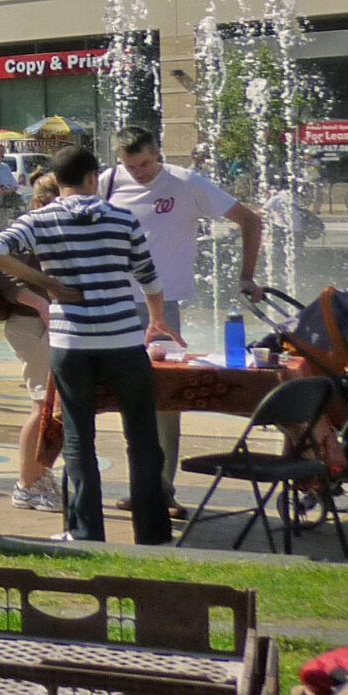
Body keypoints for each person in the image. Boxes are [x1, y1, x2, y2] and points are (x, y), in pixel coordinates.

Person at [0, 145, 177, 546]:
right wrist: (156, 320)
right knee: (142, 438)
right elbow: (149, 277)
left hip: (72, 343)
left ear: (57, 182)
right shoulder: (122, 218)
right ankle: (153, 532)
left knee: (78, 438)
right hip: (124, 341)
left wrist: (50, 284)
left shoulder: (40, 219)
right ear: (93, 178)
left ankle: (86, 531)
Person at [103, 125, 263, 520]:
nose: (137, 172)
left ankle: (161, 490)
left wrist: (246, 275)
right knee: (126, 400)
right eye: (130, 165)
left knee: (164, 401)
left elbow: (250, 220)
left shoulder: (185, 182)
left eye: (143, 163)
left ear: (158, 152)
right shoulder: (107, 182)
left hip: (164, 308)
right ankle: (142, 487)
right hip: (114, 303)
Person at [0, 169, 63, 512]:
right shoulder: (27, 229)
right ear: (38, 201)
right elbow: (5, 278)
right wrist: (42, 305)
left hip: (45, 324)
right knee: (42, 405)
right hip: (31, 325)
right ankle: (28, 483)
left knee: (52, 406)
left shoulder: (52, 228)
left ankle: (39, 476)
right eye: (56, 201)